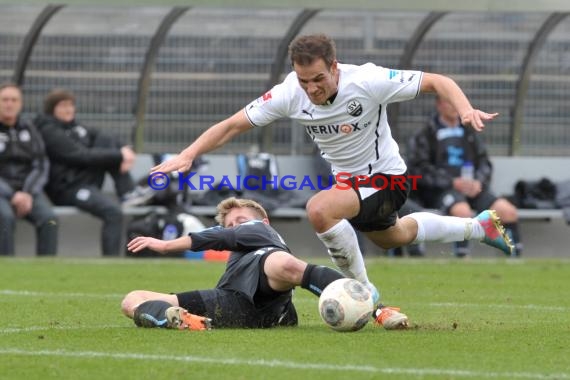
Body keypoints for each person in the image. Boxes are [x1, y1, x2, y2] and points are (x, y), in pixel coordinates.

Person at [150, 34, 514, 321]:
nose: (312, 88)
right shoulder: (290, 93)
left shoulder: (367, 80)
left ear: (335, 67)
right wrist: (188, 154)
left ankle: (364, 293)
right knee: (393, 237)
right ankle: (479, 228)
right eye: (304, 80)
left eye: (319, 79)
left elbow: (438, 81)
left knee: (319, 209)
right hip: (351, 186)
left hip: (386, 178)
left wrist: (465, 111)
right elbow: (233, 124)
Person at [121, 197, 408, 330]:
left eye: (240, 222)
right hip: (229, 304)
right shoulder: (239, 252)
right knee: (132, 299)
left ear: (263, 222)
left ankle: (377, 309)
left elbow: (223, 236)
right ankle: (176, 318)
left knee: (281, 263)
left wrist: (166, 244)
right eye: (230, 225)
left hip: (269, 295)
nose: (234, 228)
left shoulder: (263, 234)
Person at [35, 88, 152, 256]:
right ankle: (110, 264)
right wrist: (119, 155)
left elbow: (103, 136)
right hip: (67, 188)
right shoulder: (48, 131)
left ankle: (128, 192)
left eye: (71, 105)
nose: (68, 109)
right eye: (62, 106)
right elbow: (79, 155)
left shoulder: (77, 128)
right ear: (52, 109)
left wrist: (124, 150)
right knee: (113, 212)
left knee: (106, 139)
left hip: (85, 182)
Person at [407, 96, 522, 257]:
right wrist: (451, 182)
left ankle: (515, 260)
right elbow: (419, 170)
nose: (454, 106)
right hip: (442, 191)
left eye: (456, 102)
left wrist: (478, 182)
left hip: (473, 189)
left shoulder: (470, 132)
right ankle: (462, 259)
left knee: (508, 212)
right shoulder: (426, 134)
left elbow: (484, 163)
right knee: (462, 213)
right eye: (449, 101)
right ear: (439, 105)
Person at [0, 83, 58, 256]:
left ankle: (46, 273)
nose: (9, 104)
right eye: (5, 100)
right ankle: (6, 270)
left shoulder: (30, 129)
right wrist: (12, 194)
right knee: (5, 218)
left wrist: (27, 192)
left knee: (49, 220)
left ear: (20, 104)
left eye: (14, 100)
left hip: (27, 192)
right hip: (2, 192)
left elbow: (41, 165)